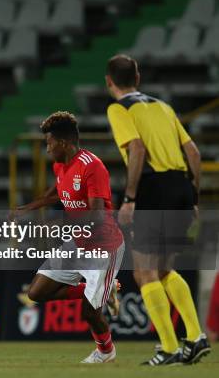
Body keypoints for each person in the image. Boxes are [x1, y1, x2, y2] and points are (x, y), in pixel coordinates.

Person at [105, 54, 210, 365]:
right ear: (137, 78)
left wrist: (130, 198)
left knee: (144, 271)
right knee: (165, 269)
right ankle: (195, 337)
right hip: (181, 186)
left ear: (110, 82)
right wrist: (193, 197)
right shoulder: (164, 107)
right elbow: (193, 151)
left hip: (153, 188)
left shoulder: (119, 108)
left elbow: (136, 148)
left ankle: (169, 348)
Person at [17, 111, 124, 363]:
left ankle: (105, 352)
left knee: (89, 312)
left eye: (49, 143)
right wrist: (28, 208)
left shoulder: (92, 166)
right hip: (78, 242)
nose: (46, 149)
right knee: (36, 292)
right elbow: (57, 194)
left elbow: (98, 215)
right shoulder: (60, 165)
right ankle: (103, 290)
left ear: (63, 143)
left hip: (103, 248)